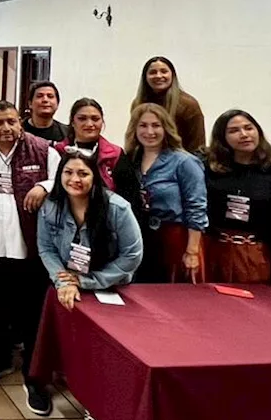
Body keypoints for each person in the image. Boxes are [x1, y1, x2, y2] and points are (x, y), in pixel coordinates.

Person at [37, 151, 143, 420]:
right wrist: (64, 283)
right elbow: (46, 248)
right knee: (76, 351)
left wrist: (89, 281)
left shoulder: (117, 208)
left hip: (111, 288)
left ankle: (97, 413)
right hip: (69, 286)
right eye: (68, 173)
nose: (75, 179)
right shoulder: (52, 206)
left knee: (106, 355)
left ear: (95, 177)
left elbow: (132, 256)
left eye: (82, 173)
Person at [0, 101, 59, 417]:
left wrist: (44, 185)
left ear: (19, 122)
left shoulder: (42, 149)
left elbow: (64, 179)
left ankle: (35, 376)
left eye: (11, 121)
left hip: (31, 246)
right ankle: (1, 356)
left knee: (33, 310)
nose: (6, 128)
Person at [203, 110, 271, 293]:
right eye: (234, 130)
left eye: (249, 128)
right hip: (210, 250)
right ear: (222, 137)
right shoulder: (209, 169)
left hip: (253, 255)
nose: (244, 135)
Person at [112, 104, 208, 284]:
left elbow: (196, 207)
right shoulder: (131, 160)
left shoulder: (184, 162)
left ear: (166, 128)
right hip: (140, 237)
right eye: (143, 125)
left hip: (175, 239)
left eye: (156, 125)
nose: (149, 131)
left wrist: (192, 251)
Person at [131, 56, 206, 153]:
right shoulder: (138, 104)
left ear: (172, 75)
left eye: (164, 71)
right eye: (153, 72)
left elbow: (197, 144)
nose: (158, 76)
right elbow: (133, 138)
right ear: (145, 77)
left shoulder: (188, 104)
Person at [52, 98, 121, 190]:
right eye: (82, 119)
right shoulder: (58, 151)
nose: (89, 124)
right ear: (72, 122)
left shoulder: (115, 155)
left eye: (95, 119)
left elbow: (128, 195)